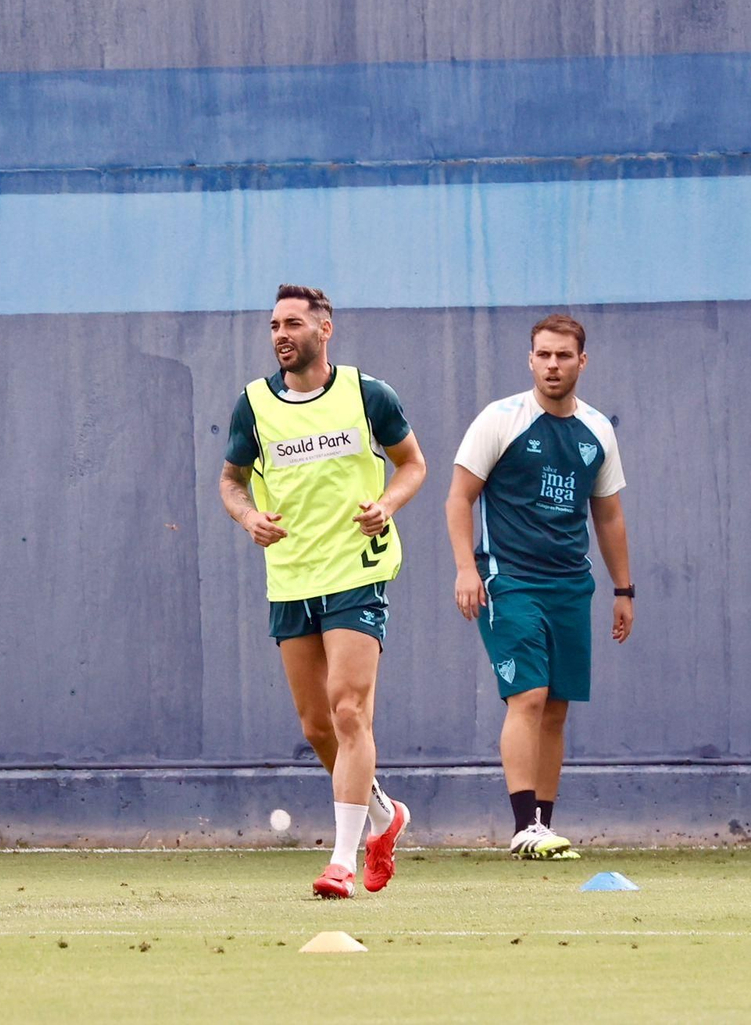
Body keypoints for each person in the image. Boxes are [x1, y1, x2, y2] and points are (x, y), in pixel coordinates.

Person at [218, 284, 427, 898]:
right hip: (291, 576)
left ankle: (341, 860)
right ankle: (385, 816)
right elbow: (230, 481)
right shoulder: (254, 406)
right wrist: (246, 516)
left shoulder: (368, 395)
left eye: (293, 324)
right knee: (317, 727)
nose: (282, 335)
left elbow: (412, 463)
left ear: (324, 329)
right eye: (274, 326)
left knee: (348, 709)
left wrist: (387, 504)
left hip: (356, 572)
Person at [444, 314, 633, 860]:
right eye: (543, 355)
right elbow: (459, 497)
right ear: (530, 359)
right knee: (526, 695)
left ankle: (542, 829)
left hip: (572, 586)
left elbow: (610, 515)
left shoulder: (597, 430)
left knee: (556, 706)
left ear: (582, 361)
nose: (553, 365)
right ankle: (523, 824)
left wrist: (625, 590)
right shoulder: (500, 419)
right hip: (509, 581)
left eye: (563, 356)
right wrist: (465, 568)